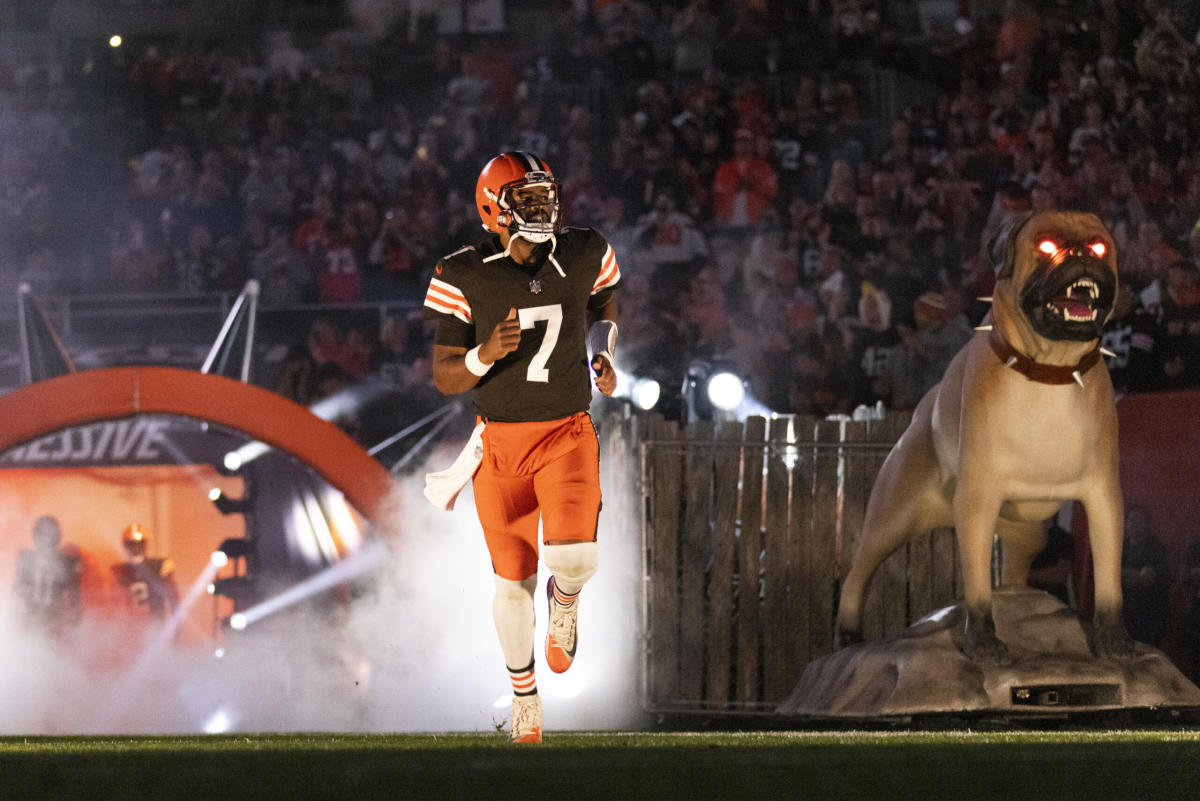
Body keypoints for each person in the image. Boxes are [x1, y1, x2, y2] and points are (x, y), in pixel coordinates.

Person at [422, 151, 621, 744]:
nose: (541, 208)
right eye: (526, 200)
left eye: (544, 196)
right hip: (499, 444)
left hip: (566, 431)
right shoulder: (465, 271)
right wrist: (486, 354)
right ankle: (525, 698)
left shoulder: (583, 251)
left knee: (577, 560)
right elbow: (445, 374)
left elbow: (602, 303)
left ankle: (567, 598)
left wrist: (604, 350)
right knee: (511, 582)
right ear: (494, 209)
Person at [13, 515, 81, 636]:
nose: (46, 539)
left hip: (53, 619)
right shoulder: (26, 558)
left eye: (49, 534)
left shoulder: (67, 562)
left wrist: (73, 625)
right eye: (42, 534)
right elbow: (17, 590)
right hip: (30, 617)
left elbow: (74, 597)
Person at [1120, 506, 1169, 647]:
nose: (1134, 523)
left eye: (1139, 520)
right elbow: (1109, 573)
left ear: (1147, 524)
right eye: (1131, 519)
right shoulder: (1120, 547)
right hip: (1122, 612)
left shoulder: (1156, 549)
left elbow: (1144, 579)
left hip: (1147, 617)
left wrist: (1128, 574)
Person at [110, 523, 180, 622]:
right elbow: (113, 604)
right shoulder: (118, 571)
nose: (135, 548)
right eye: (132, 544)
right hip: (131, 627)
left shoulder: (160, 566)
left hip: (155, 624)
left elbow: (173, 599)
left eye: (138, 544)